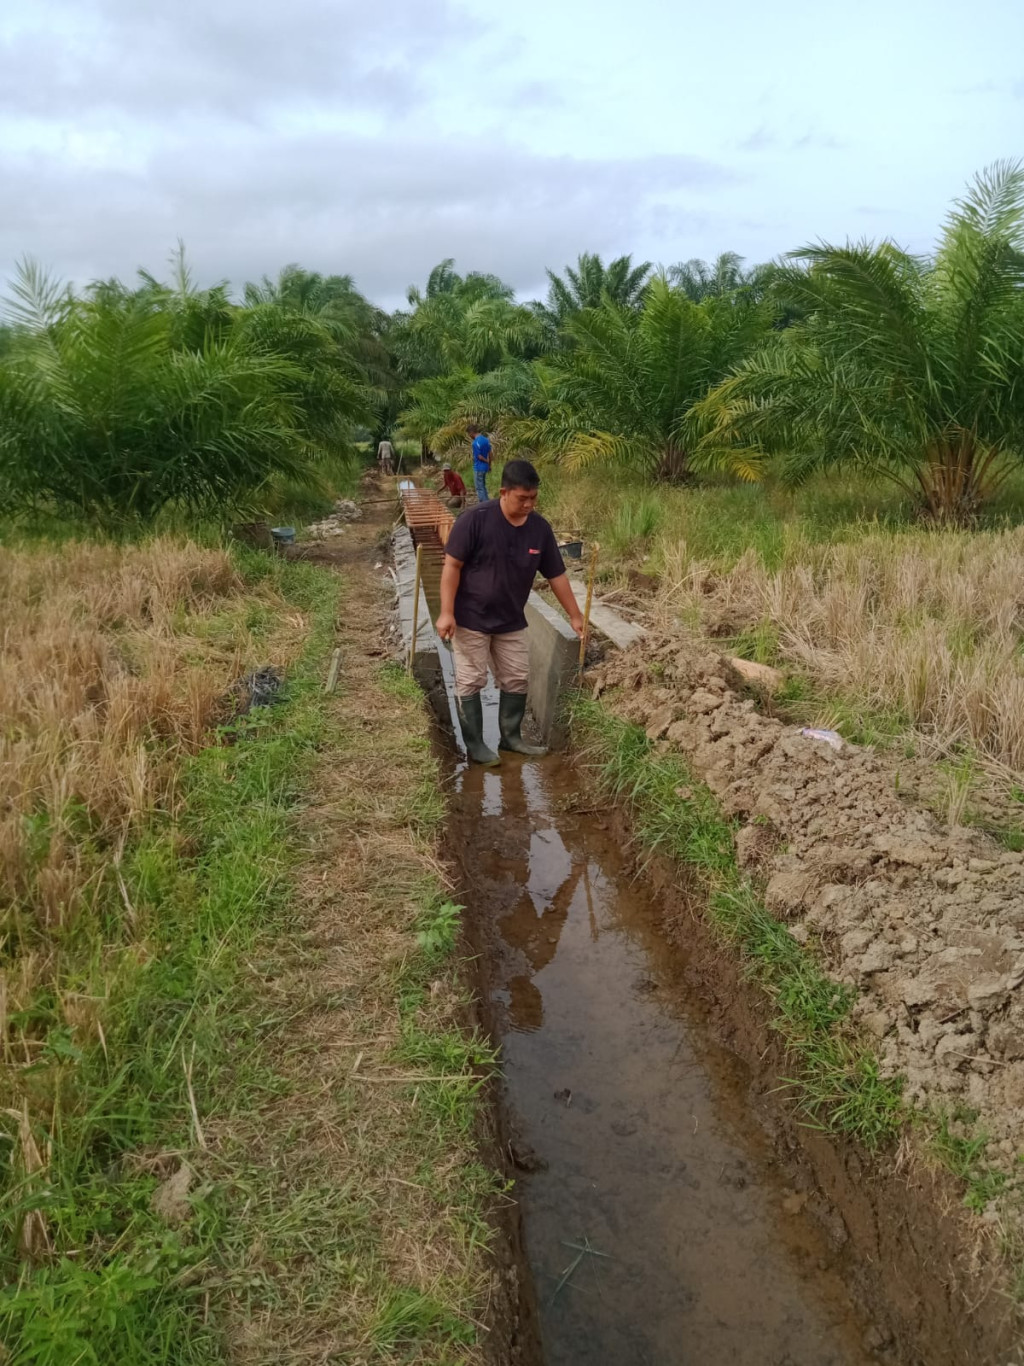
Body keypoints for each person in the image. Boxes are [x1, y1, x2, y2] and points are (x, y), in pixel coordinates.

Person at [436, 459, 584, 764]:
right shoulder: (474, 520)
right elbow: (451, 566)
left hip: (511, 619)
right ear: (504, 492)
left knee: (517, 678)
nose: (529, 504)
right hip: (471, 618)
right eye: (522, 498)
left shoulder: (539, 530)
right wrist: (446, 612)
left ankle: (511, 738)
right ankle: (476, 745)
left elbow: (556, 575)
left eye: (533, 498)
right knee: (471, 679)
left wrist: (575, 615)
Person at [467, 423, 492, 502]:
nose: (469, 436)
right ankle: (487, 504)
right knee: (483, 487)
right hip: (485, 467)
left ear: (471, 432)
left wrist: (486, 461)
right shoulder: (486, 440)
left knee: (479, 488)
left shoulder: (475, 443)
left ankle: (484, 505)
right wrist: (489, 464)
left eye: (469, 434)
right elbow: (490, 453)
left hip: (478, 467)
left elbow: (479, 457)